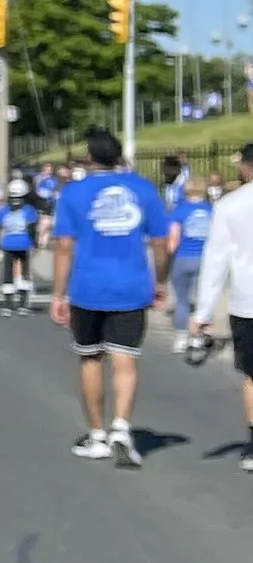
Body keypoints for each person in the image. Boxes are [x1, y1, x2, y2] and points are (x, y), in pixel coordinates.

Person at [50, 127, 170, 464]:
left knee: (90, 358)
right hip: (131, 285)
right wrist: (160, 281)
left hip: (87, 286)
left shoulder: (73, 193)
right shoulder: (144, 189)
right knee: (125, 359)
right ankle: (121, 426)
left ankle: (97, 434)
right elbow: (161, 243)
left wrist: (58, 293)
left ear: (89, 157)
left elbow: (63, 246)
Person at [188, 144, 253, 468]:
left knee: (252, 377)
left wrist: (202, 313)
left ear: (245, 168)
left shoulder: (230, 205)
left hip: (247, 300)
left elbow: (215, 261)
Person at [164, 165, 210, 343]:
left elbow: (173, 240)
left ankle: (181, 337)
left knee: (182, 299)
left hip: (183, 257)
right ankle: (197, 337)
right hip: (204, 259)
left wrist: (168, 259)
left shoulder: (179, 211)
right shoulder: (211, 210)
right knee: (201, 300)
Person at [0, 174, 37, 310]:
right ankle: (23, 304)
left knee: (7, 274)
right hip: (24, 244)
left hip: (8, 244)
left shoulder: (4, 210)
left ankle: (7, 305)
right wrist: (34, 243)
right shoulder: (29, 209)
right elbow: (31, 229)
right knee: (24, 273)